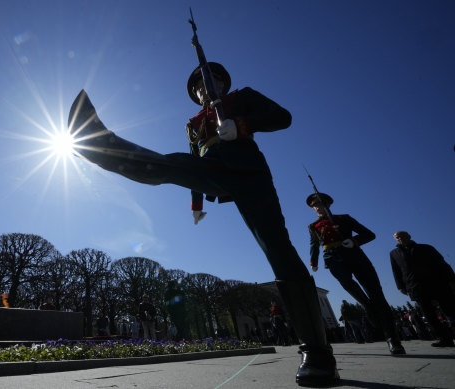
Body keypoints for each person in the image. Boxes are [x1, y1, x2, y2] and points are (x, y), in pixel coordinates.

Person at [68, 61, 338, 386]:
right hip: (213, 171)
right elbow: (194, 160)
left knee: (277, 248)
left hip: (250, 174)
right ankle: (100, 143)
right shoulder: (194, 123)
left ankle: (318, 352)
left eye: (210, 81)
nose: (203, 88)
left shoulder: (242, 97)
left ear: (223, 83)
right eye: (197, 86)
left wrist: (241, 124)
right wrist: (196, 205)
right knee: (169, 165)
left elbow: (283, 118)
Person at [307, 192, 406, 355]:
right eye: (315, 206)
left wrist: (353, 241)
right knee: (350, 287)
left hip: (356, 257)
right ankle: (368, 306)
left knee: (377, 296)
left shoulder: (344, 218)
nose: (318, 208)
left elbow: (369, 234)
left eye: (321, 204)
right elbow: (314, 245)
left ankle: (393, 339)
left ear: (328, 205)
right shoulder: (313, 227)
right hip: (333, 260)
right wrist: (314, 262)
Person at [390, 231, 455, 347]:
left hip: (437, 283)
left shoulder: (426, 248)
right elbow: (396, 271)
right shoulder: (394, 253)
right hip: (415, 286)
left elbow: (442, 264)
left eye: (403, 236)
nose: (400, 238)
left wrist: (451, 280)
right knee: (429, 315)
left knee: (450, 310)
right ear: (395, 239)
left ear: (409, 236)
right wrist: (400, 286)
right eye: (397, 237)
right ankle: (445, 338)